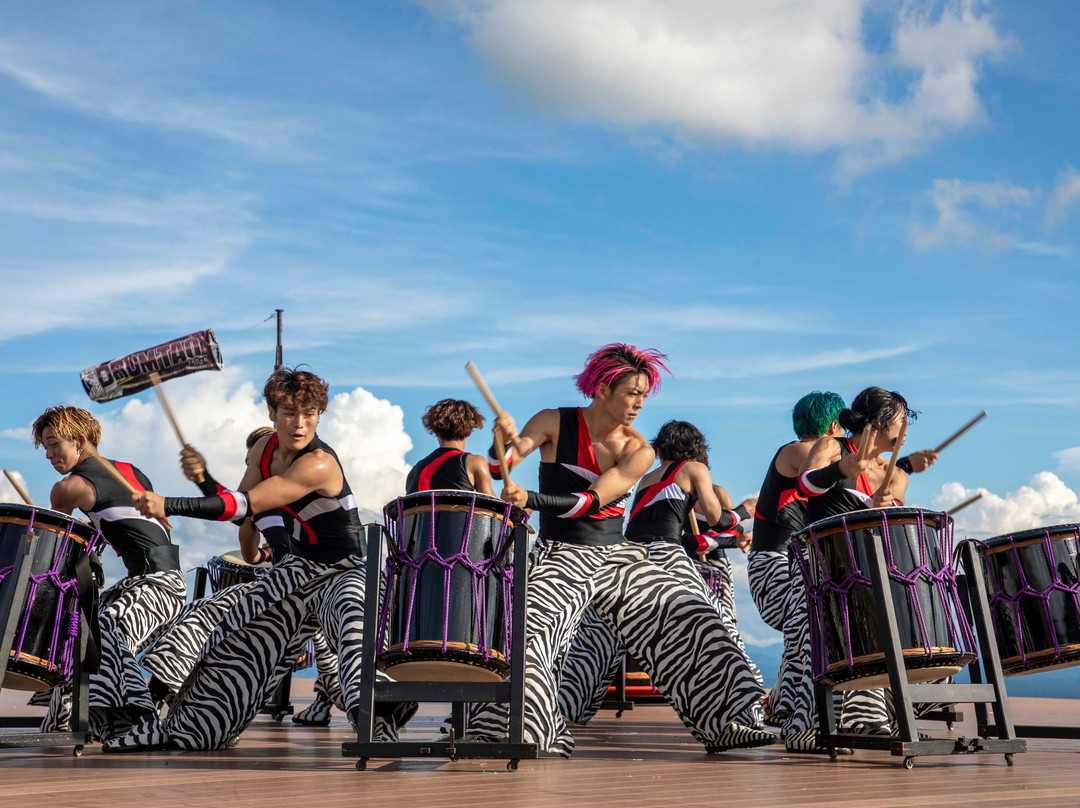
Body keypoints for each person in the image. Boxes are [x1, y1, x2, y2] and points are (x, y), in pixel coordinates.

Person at [469, 344, 768, 756]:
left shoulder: (639, 449)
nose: (640, 403)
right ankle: (521, 731)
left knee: (694, 617)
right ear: (603, 388)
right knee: (529, 632)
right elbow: (501, 468)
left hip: (619, 555)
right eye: (632, 392)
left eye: (644, 394)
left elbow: (593, 501)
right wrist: (500, 444)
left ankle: (726, 723)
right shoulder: (552, 422)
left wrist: (531, 499)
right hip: (560, 553)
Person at [103, 368, 413, 751]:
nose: (300, 424)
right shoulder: (264, 452)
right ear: (271, 412)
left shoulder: (319, 463)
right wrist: (202, 478)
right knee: (226, 631)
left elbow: (249, 502)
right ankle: (184, 728)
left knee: (354, 639)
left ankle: (379, 724)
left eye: (310, 413)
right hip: (297, 569)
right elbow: (241, 509)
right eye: (288, 413)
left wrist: (169, 504)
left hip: (347, 570)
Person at [556, 420, 772, 744]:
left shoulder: (646, 479)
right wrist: (744, 511)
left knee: (602, 640)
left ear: (660, 449)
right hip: (665, 554)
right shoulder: (694, 468)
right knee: (715, 625)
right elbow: (717, 519)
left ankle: (567, 708)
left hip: (627, 555)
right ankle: (741, 714)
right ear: (696, 448)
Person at [747, 391, 937, 750]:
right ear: (879, 422)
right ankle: (805, 725)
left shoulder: (895, 475)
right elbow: (805, 485)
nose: (906, 428)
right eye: (900, 419)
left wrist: (884, 508)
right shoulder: (833, 447)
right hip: (817, 571)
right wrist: (839, 471)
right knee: (814, 632)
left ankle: (873, 721)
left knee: (891, 630)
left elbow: (891, 531)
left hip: (865, 574)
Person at [31, 405, 187, 743]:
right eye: (45, 447)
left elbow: (54, 548)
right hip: (165, 583)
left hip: (156, 587)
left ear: (81, 439)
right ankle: (63, 720)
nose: (49, 454)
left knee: (104, 629)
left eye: (54, 443)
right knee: (83, 630)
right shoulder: (131, 471)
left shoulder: (69, 487)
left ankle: (143, 723)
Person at [406, 399, 494, 495]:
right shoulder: (475, 462)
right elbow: (493, 508)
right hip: (458, 511)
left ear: (436, 432)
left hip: (422, 510)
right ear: (469, 432)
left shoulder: (414, 472)